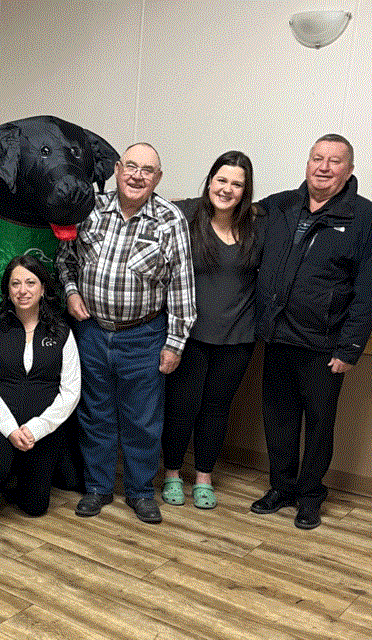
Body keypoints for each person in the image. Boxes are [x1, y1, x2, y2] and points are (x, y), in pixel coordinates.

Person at [252, 134, 372, 529]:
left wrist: (350, 348)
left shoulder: (364, 218)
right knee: (278, 421)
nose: (323, 167)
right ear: (307, 162)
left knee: (318, 425)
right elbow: (230, 211)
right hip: (277, 338)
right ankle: (281, 487)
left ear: (349, 170)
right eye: (317, 158)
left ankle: (310, 495)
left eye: (334, 161)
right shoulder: (282, 205)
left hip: (324, 346)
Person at [57, 142, 196, 524]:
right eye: (131, 167)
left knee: (143, 420)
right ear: (117, 169)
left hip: (143, 336)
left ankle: (138, 491)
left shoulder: (170, 220)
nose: (137, 176)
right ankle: (98, 488)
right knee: (95, 414)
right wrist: (70, 292)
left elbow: (182, 288)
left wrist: (175, 343)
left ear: (158, 178)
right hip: (91, 332)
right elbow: (65, 258)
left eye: (147, 170)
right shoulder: (90, 209)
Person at [161, 151, 261, 510]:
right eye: (222, 180)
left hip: (238, 338)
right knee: (181, 408)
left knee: (217, 410)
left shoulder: (256, 226)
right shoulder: (185, 216)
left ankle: (204, 477)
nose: (227, 189)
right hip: (189, 337)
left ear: (245, 191)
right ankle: (172, 473)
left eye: (237, 183)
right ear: (209, 181)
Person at [0, 255, 80, 521]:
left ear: (43, 288)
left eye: (30, 283)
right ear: (7, 290)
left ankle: (20, 478)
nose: (23, 290)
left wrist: (35, 429)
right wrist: (10, 430)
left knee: (35, 508)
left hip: (41, 430)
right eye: (15, 283)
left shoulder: (61, 332)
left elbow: (71, 392)